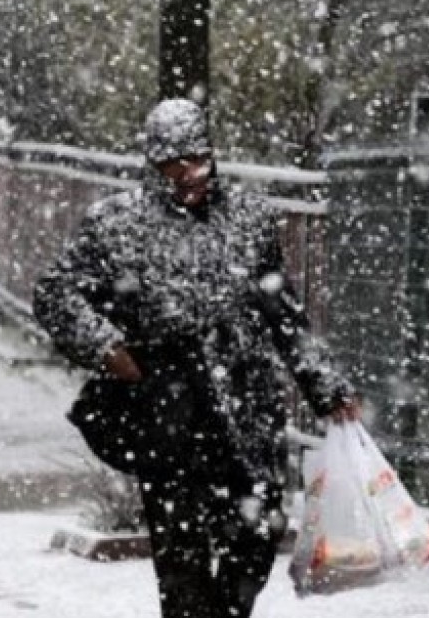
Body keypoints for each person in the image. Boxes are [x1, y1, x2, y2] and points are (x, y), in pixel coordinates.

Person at [33, 98, 361, 618]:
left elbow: (282, 314)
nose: (187, 173)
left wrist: (324, 385)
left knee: (255, 541)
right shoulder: (118, 223)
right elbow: (56, 294)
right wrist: (107, 348)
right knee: (182, 560)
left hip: (247, 409)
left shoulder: (250, 219)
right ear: (152, 163)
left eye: (196, 158)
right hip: (169, 416)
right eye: (172, 162)